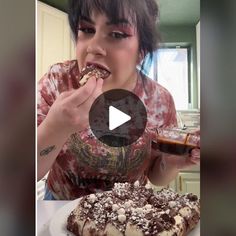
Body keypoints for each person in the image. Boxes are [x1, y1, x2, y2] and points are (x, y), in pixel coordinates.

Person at [37, 0, 200, 200]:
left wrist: (170, 163)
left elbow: (157, 176)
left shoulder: (160, 101)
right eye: (87, 29)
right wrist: (56, 127)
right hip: (57, 209)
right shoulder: (57, 81)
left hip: (127, 213)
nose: (93, 47)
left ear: (142, 51)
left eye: (117, 34)